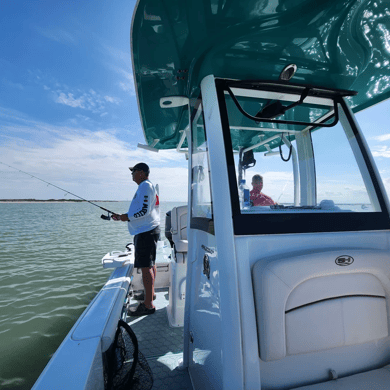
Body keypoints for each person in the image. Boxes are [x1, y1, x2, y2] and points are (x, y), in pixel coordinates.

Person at [112, 162, 160, 316]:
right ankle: (149, 295)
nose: (131, 174)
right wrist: (122, 216)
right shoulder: (146, 186)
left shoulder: (145, 186)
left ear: (141, 172)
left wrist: (126, 217)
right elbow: (142, 209)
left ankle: (148, 305)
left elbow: (144, 211)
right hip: (147, 230)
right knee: (150, 265)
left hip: (146, 232)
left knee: (147, 267)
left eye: (133, 171)